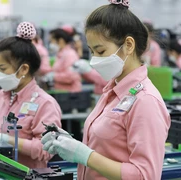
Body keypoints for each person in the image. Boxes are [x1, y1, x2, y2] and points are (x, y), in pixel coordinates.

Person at [42, 1, 171, 179]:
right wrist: (72, 144)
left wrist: (86, 156)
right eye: (91, 51)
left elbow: (145, 175)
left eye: (101, 51)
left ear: (128, 45)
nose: (94, 60)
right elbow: (109, 146)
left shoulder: (145, 101)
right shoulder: (112, 90)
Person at [0, 22, 62, 168]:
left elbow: (45, 150)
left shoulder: (45, 104)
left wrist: (7, 140)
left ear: (23, 69)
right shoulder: (0, 97)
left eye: (3, 69)